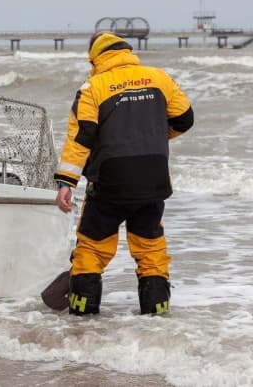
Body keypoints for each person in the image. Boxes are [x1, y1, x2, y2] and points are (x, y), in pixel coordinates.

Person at [54, 31, 193, 316]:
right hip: (153, 178)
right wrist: (156, 136)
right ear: (127, 52)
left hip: (110, 181)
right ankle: (156, 318)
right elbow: (184, 119)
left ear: (95, 58)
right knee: (151, 249)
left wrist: (67, 182)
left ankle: (82, 321)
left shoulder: (93, 87)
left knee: (92, 248)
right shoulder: (159, 78)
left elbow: (82, 137)